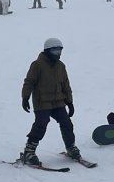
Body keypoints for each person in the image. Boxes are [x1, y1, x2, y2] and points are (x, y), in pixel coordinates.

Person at [18, 37, 80, 166]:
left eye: (59, 50)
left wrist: (69, 102)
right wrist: (25, 97)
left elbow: (66, 85)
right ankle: (29, 151)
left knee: (67, 123)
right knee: (41, 124)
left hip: (58, 102)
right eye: (54, 51)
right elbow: (29, 82)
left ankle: (70, 147)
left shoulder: (61, 66)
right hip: (42, 102)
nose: (57, 54)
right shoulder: (37, 65)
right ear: (47, 50)